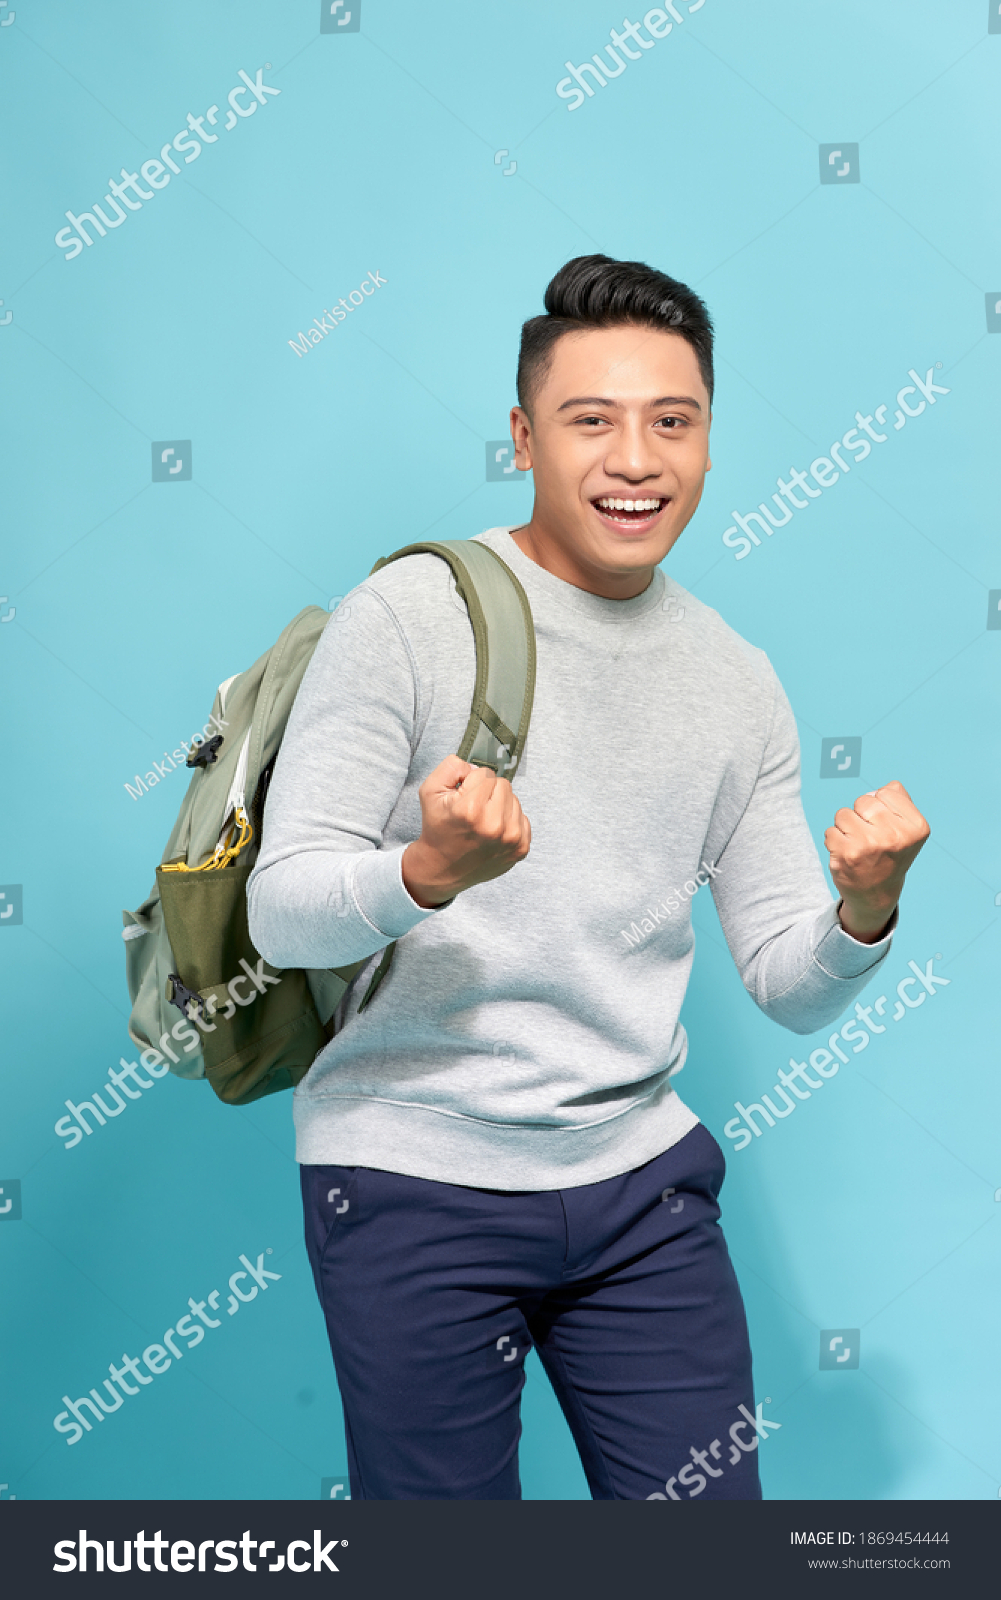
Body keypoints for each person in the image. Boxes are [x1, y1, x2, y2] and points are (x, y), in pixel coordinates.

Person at [246, 254, 929, 1501]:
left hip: (639, 1192)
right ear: (521, 437)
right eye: (590, 420)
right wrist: (426, 870)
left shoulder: (734, 679)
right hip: (411, 1180)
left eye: (671, 422)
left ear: (709, 440)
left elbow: (787, 981)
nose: (634, 459)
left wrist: (863, 908)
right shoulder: (407, 614)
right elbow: (282, 909)